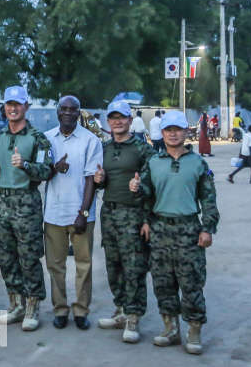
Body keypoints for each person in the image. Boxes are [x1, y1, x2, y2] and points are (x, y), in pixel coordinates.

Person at [130, 110, 219, 355]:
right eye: (168, 130)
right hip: (160, 230)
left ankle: (193, 330)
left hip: (189, 230)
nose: (172, 134)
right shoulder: (154, 161)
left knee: (191, 282)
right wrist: (137, 189)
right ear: (163, 133)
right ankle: (170, 328)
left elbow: (209, 200)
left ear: (185, 131)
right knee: (163, 282)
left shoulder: (199, 163)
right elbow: (147, 195)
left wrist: (207, 228)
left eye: (177, 129)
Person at [94, 100, 155, 343]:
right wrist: (100, 180)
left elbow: (154, 185)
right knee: (114, 265)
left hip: (133, 214)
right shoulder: (104, 148)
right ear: (108, 122)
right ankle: (120, 309)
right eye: (113, 117)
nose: (117, 121)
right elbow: (102, 182)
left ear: (130, 120)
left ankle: (133, 316)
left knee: (134, 268)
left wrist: (147, 218)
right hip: (109, 213)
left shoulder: (143, 149)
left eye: (122, 117)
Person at [0, 86, 53, 331]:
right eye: (9, 104)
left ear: (26, 106)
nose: (13, 108)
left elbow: (47, 170)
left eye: (18, 104)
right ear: (4, 107)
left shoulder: (39, 137)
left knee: (29, 258)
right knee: (7, 258)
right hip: (1, 202)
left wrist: (26, 164)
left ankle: (33, 306)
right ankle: (15, 304)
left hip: (26, 203)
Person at [44, 95, 103, 330]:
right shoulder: (47, 138)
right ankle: (60, 309)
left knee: (83, 264)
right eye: (64, 109)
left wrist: (83, 213)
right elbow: (40, 172)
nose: (68, 113)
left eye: (73, 110)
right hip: (53, 213)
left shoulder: (91, 140)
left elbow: (92, 179)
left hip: (81, 214)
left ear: (79, 113)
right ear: (58, 112)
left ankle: (80, 310)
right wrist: (53, 168)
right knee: (55, 265)